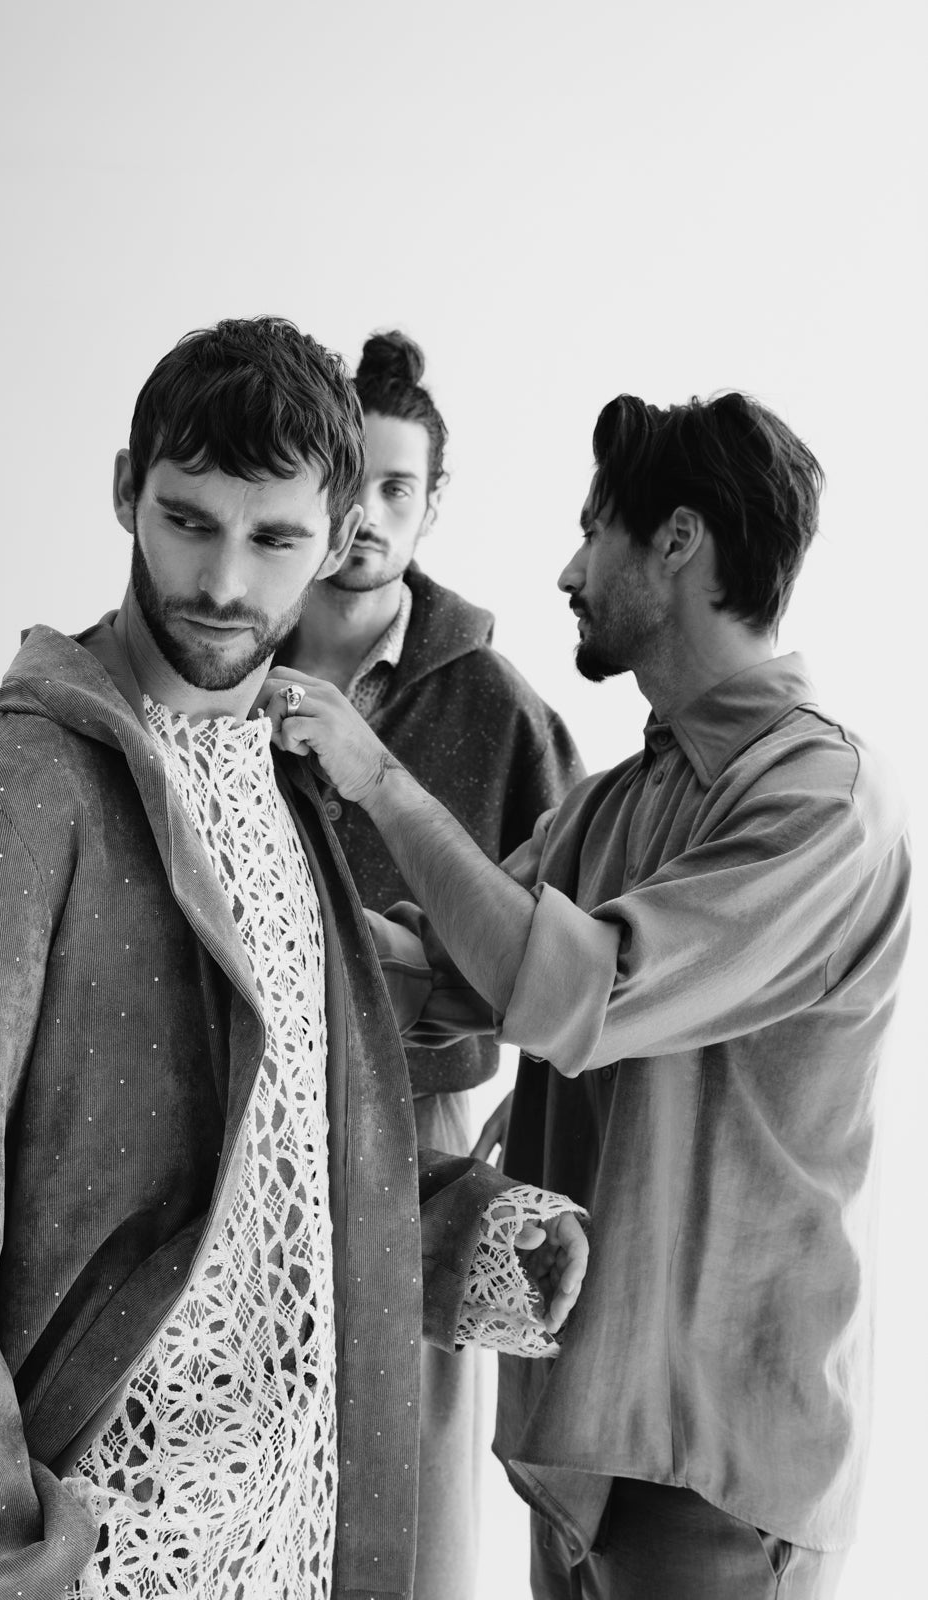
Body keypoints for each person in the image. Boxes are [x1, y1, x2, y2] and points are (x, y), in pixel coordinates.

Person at [0, 317, 590, 1600]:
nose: (221, 581)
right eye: (187, 520)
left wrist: (462, 1232)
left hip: (297, 1533)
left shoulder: (290, 785)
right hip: (97, 1547)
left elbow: (276, 1146)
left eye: (274, 540)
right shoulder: (0, 800)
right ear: (124, 491)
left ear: (341, 535)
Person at [260, 389, 912, 1600]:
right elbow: (441, 972)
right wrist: (241, 910)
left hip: (715, 1467)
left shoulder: (823, 801)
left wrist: (377, 778)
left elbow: (580, 990)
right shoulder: (613, 802)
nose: (567, 571)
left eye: (591, 531)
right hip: (583, 1453)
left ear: (676, 541)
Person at [282, 329, 584, 1600]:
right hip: (237, 1106)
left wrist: (524, 1123)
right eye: (348, 487)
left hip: (424, 1129)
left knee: (406, 1480)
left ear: (431, 501)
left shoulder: (498, 706)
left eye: (397, 489)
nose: (367, 518)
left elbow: (570, 953)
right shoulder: (225, 659)